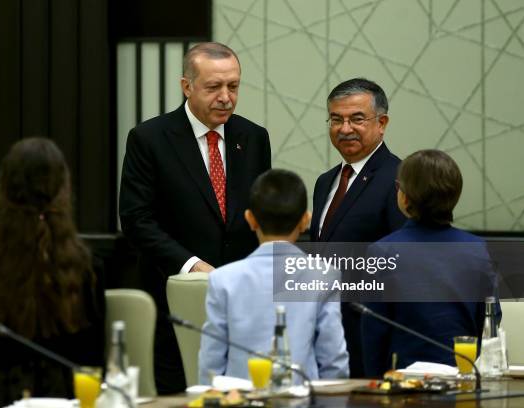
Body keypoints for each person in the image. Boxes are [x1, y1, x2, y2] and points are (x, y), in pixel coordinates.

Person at [119, 42, 271, 393]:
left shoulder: (253, 138)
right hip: (176, 304)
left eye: (233, 86)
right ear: (187, 86)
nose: (226, 97)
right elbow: (136, 218)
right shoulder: (149, 138)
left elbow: (258, 216)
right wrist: (193, 266)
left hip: (240, 307)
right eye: (213, 87)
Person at [0, 137, 105, 407]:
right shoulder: (86, 265)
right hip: (71, 400)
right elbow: (97, 363)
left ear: (4, 189)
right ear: (63, 189)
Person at [198, 169, 349, 384]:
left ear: (250, 219)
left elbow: (210, 362)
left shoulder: (223, 279)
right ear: (305, 220)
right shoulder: (324, 275)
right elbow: (333, 360)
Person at [361, 149, 499, 377]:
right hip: (463, 377)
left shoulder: (382, 252)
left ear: (403, 196)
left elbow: (374, 332)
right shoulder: (477, 249)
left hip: (404, 384)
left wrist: (377, 384)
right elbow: (490, 318)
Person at [310, 78, 406, 377]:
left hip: (370, 338)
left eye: (357, 119)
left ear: (382, 123)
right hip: (324, 337)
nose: (345, 128)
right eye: (336, 119)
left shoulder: (399, 179)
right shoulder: (325, 181)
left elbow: (400, 265)